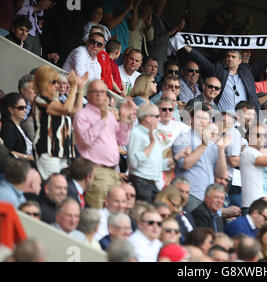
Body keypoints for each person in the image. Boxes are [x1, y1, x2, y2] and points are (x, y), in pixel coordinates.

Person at [73, 79, 135, 209]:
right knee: (98, 212)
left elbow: (122, 140)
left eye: (103, 92)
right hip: (96, 171)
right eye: (96, 92)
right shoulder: (82, 115)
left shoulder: (111, 116)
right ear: (88, 94)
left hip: (113, 172)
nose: (100, 95)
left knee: (116, 212)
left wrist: (124, 118)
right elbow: (86, 140)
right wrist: (102, 119)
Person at [183, 46, 267, 112]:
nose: (230, 59)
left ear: (240, 61)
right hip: (223, 119)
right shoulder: (218, 71)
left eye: (233, 57)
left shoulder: (247, 72)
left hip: (245, 120)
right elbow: (201, 59)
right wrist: (185, 46)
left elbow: (264, 61)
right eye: (228, 56)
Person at [33, 65, 87, 180]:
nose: (57, 85)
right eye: (54, 82)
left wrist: (80, 88)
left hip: (62, 152)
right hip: (48, 151)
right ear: (44, 83)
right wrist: (72, 87)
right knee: (51, 187)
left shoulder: (56, 101)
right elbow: (66, 109)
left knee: (60, 188)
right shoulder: (40, 99)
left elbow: (76, 111)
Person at [127, 103, 188, 204]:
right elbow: (134, 162)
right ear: (147, 118)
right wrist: (151, 146)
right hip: (140, 183)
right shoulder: (136, 133)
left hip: (151, 184)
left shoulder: (152, 136)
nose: (159, 119)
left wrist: (178, 157)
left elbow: (159, 164)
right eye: (157, 116)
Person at [172, 104, 228, 212]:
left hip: (209, 197)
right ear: (191, 119)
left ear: (209, 122)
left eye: (205, 118)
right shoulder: (183, 138)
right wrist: (204, 144)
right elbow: (185, 164)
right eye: (199, 118)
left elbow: (220, 173)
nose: (202, 121)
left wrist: (221, 149)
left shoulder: (212, 143)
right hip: (191, 194)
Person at [0, 93, 34, 162]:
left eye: (26, 107)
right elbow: (8, 152)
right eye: (21, 108)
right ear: (11, 110)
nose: (25, 110)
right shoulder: (8, 127)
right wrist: (28, 157)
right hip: (21, 167)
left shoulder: (19, 126)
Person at [17, 74, 36, 141]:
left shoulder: (34, 105)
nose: (36, 91)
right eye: (33, 88)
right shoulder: (21, 106)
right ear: (23, 91)